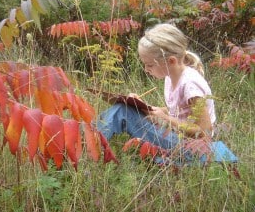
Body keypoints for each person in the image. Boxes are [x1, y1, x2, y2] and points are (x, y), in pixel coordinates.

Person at [97, 23, 237, 163]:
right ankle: (91, 140)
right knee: (127, 108)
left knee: (123, 112)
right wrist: (145, 107)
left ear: (171, 61)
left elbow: (204, 132)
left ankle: (91, 146)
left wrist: (165, 118)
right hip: (177, 137)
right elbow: (180, 111)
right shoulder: (171, 77)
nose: (146, 69)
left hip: (192, 148)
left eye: (150, 65)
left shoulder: (190, 85)